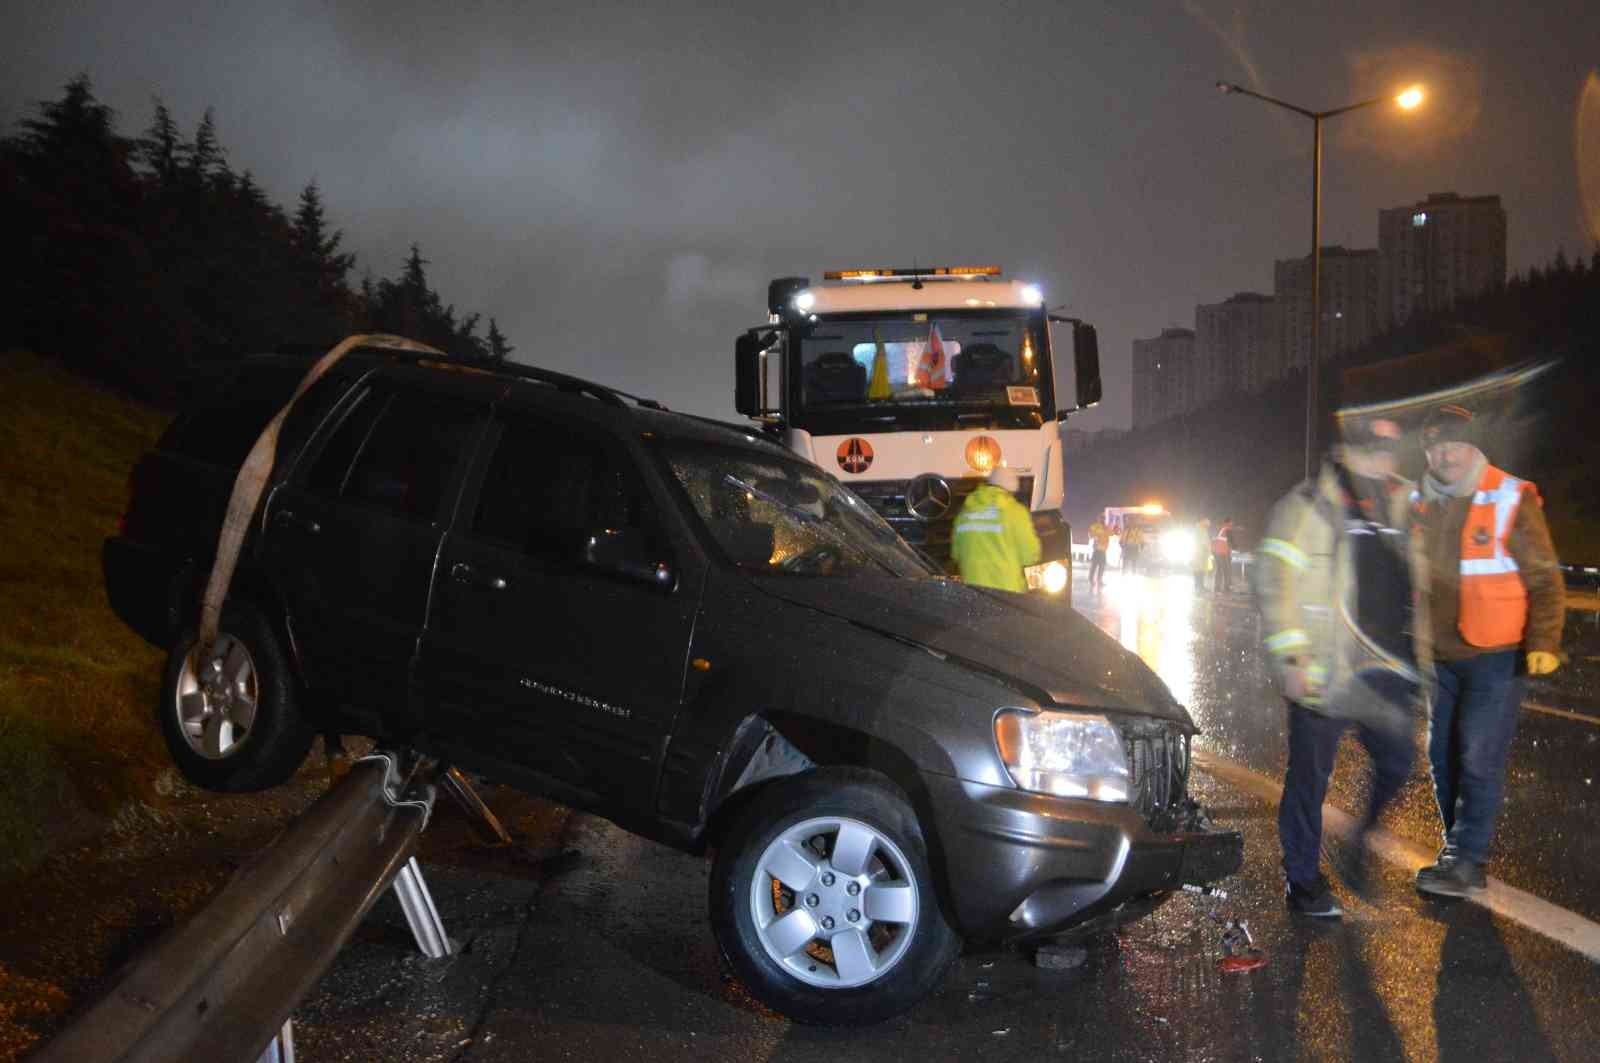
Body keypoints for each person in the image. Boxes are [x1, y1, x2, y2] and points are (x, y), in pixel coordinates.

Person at [1256, 416, 1423, 917]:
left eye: (1389, 450)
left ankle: (1358, 844)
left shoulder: (1403, 504)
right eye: (1371, 449)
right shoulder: (1307, 505)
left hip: (1388, 668)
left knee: (1398, 761)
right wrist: (1291, 655)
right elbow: (1273, 581)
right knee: (1309, 778)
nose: (1381, 459)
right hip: (1324, 666)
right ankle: (1303, 881)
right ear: (1347, 451)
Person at [1411, 404, 1565, 897]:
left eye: (1454, 443)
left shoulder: (1508, 495)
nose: (1445, 454)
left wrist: (1543, 641)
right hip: (1439, 654)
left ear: (1475, 446)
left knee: (1478, 757)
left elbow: (1543, 575)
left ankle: (1468, 859)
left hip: (1496, 652)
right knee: (1442, 756)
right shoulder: (1420, 502)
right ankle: (1457, 847)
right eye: (1436, 445)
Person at [951, 464, 1041, 593]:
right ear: (1010, 489)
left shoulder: (964, 513)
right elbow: (1031, 555)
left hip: (973, 595)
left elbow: (956, 554)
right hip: (1006, 596)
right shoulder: (1015, 512)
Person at [1086, 513, 1112, 590]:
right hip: (1097, 549)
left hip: (1103, 549)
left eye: (1103, 518)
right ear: (1098, 518)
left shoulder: (1106, 527)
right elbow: (1090, 535)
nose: (1102, 519)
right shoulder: (1094, 526)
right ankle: (1091, 579)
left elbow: (1111, 533)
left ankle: (1099, 580)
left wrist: (1115, 530)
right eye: (1101, 518)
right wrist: (1095, 536)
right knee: (1094, 565)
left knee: (1102, 566)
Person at [1212, 517, 1235, 594]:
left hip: (1220, 552)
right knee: (1221, 569)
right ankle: (1218, 588)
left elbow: (1226, 541)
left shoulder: (1223, 529)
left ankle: (1225, 587)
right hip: (1221, 552)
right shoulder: (1227, 529)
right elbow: (1230, 541)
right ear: (1229, 522)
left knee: (1224, 569)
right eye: (1231, 522)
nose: (1232, 524)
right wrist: (1234, 548)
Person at [1192, 517, 1212, 593]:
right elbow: (1202, 542)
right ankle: (1199, 586)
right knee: (1199, 569)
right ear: (1203, 521)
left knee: (1201, 569)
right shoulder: (1199, 530)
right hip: (1199, 552)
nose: (1209, 524)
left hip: (1202, 552)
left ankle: (1200, 585)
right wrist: (1202, 551)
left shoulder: (1202, 529)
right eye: (1207, 522)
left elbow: (1205, 541)